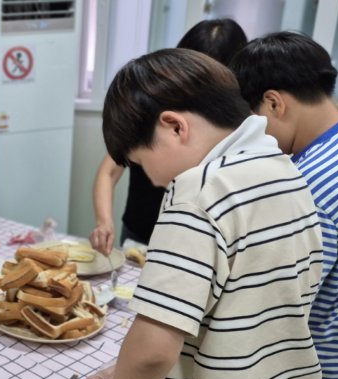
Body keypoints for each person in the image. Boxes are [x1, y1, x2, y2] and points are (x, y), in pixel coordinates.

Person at [58, 49, 334, 379]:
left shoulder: (198, 192)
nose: (152, 180)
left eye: (141, 162)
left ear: (174, 125)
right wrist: (128, 374)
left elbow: (153, 350)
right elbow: (242, 314)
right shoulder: (283, 168)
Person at [230, 31, 338, 379]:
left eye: (253, 119)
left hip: (323, 375)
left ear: (274, 102)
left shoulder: (311, 184)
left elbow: (286, 299)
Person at [89, 18, 247, 255]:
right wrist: (104, 223)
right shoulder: (149, 107)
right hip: (140, 229)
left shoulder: (233, 134)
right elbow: (109, 170)